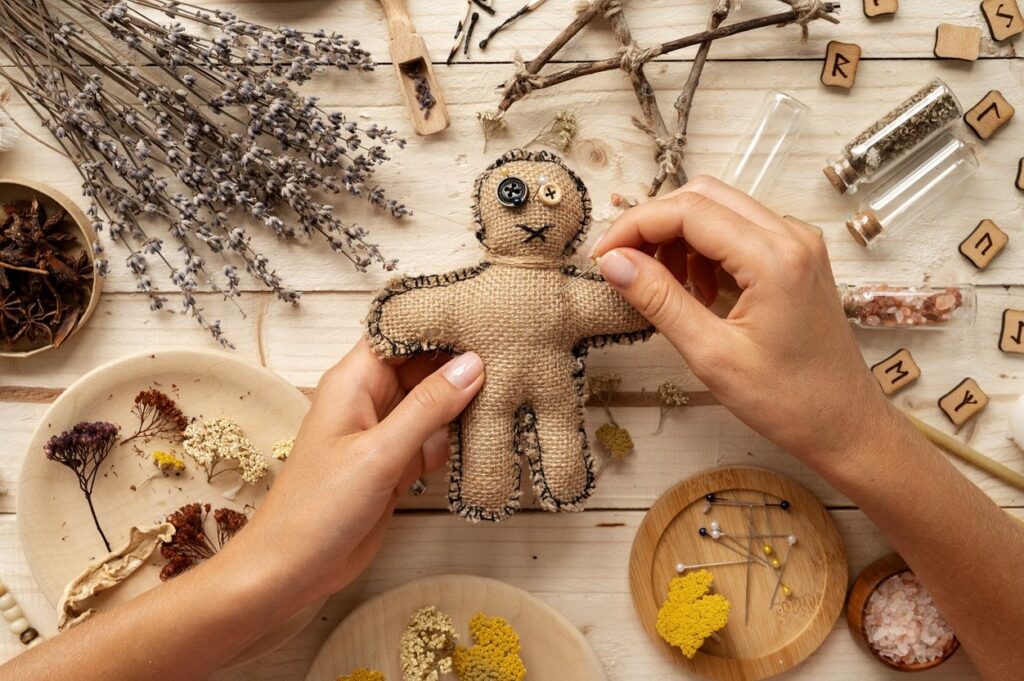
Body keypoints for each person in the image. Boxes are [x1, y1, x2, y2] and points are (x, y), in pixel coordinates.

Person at [3, 177, 1021, 681]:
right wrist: (272, 577)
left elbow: (606, 305)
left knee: (549, 443)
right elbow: (421, 319)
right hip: (482, 394)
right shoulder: (497, 287)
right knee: (493, 446)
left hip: (501, 390)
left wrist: (275, 575)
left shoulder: (556, 285)